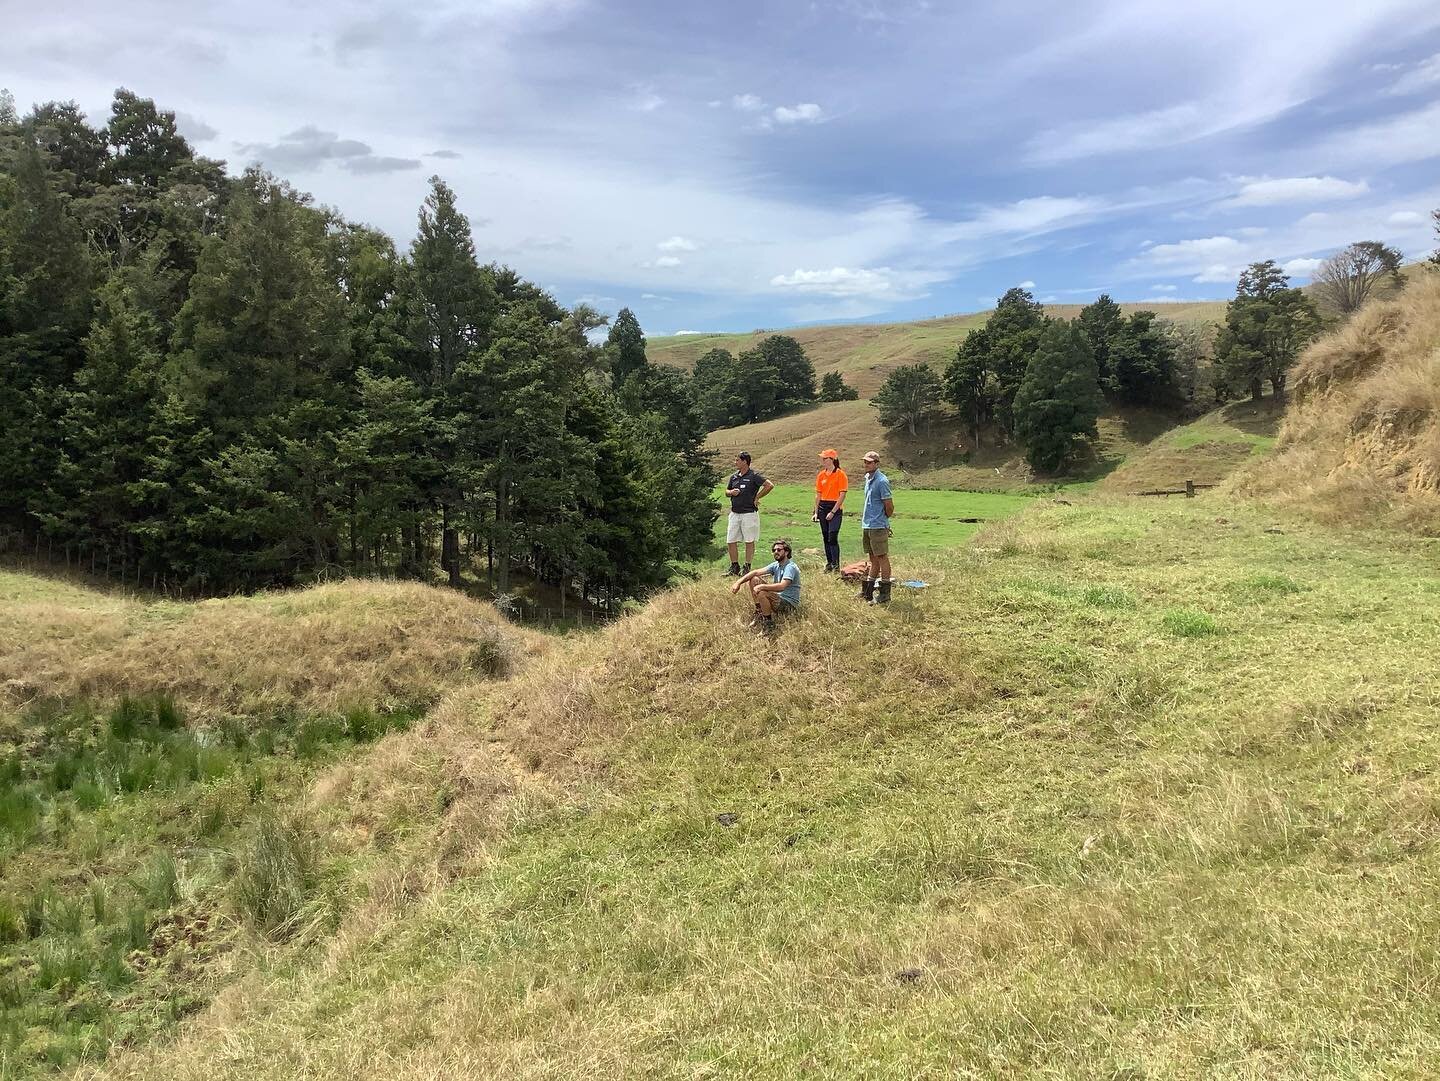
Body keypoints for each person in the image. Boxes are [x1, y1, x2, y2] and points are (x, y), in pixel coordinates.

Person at [731, 539, 800, 633]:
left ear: (787, 552)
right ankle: (760, 611)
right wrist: (738, 582)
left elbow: (782, 586)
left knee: (762, 592)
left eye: (779, 550)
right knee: (754, 579)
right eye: (774, 550)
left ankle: (768, 624)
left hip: (788, 604)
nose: (776, 552)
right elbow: (755, 572)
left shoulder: (790, 567)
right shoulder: (776, 565)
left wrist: (762, 587)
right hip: (778, 598)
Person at [724, 451, 772, 576]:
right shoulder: (734, 477)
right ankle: (734, 566)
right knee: (730, 540)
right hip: (735, 512)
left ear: (745, 461)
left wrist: (757, 497)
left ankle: (747, 566)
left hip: (749, 513)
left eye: (737, 460)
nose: (735, 462)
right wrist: (731, 493)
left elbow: (769, 485)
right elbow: (726, 491)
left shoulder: (754, 475)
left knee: (749, 540)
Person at [858, 450, 895, 604]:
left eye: (869, 462)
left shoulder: (882, 481)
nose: (866, 464)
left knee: (882, 557)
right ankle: (867, 591)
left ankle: (885, 593)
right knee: (872, 558)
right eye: (865, 462)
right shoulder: (868, 478)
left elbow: (889, 506)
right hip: (868, 524)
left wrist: (883, 520)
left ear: (876, 464)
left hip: (878, 524)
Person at [812, 449, 848, 572]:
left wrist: (833, 512)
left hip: (835, 507)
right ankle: (829, 563)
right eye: (822, 458)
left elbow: (842, 495)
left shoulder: (840, 474)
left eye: (825, 458)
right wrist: (816, 512)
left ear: (832, 459)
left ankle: (836, 565)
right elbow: (818, 494)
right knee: (825, 536)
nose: (823, 461)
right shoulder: (821, 475)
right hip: (823, 506)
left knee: (833, 536)